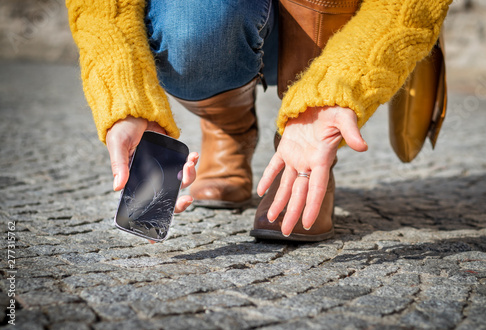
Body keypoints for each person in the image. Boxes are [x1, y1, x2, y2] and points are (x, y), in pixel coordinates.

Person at [66, 0, 452, 242]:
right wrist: (123, 90)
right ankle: (228, 129)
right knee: (192, 22)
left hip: (338, 21)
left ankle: (307, 142)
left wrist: (336, 90)